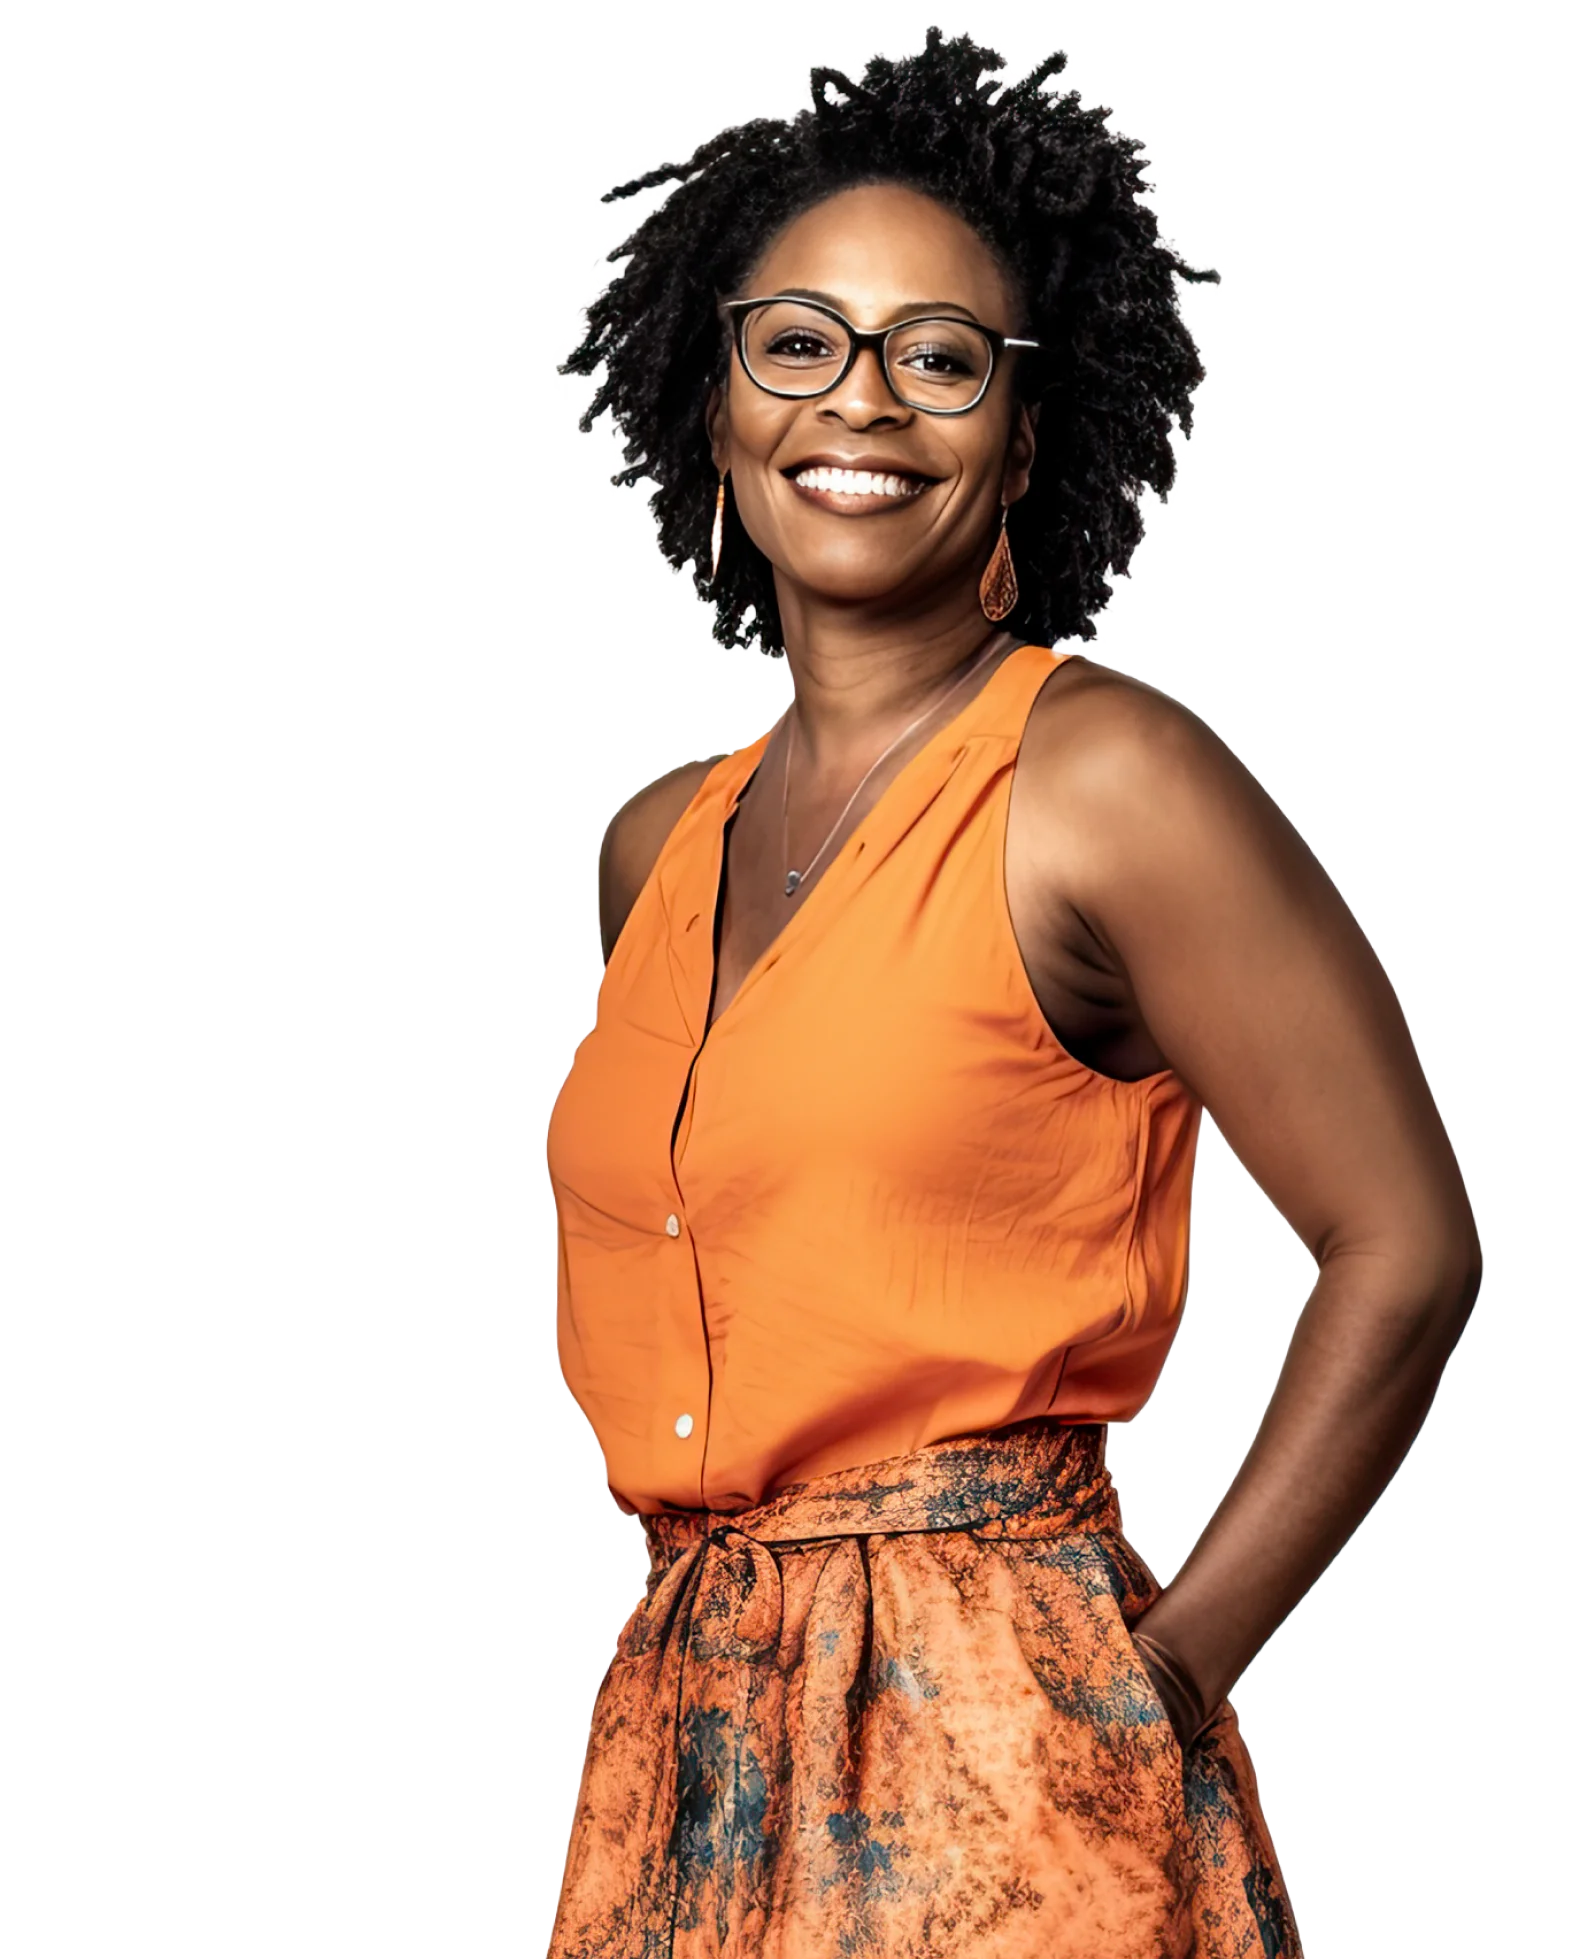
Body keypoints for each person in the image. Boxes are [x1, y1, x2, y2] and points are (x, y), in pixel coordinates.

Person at [544, 28, 1482, 1957]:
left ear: (1027, 437)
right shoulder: (654, 847)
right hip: (682, 1736)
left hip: (1002, 1739)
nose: (861, 400)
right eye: (797, 340)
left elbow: (1403, 1241)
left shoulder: (1104, 782)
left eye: (941, 356)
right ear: (710, 405)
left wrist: (1155, 1679)